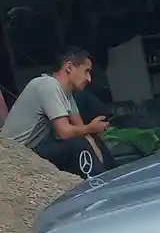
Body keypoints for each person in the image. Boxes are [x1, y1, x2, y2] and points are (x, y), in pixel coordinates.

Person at [0, 47, 107, 177]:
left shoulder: (67, 94)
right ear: (69, 67)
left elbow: (81, 129)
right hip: (15, 154)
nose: (89, 79)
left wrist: (93, 139)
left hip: (35, 148)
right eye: (86, 71)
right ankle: (98, 183)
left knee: (91, 140)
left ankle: (111, 178)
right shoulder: (48, 85)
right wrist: (90, 128)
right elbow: (64, 132)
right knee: (77, 145)